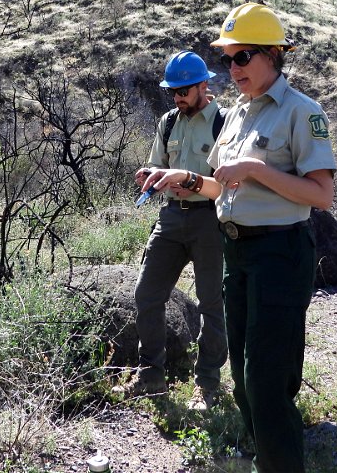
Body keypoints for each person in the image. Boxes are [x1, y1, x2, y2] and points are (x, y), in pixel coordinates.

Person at [141, 3, 336, 473]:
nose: (232, 68)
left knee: (267, 378)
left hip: (279, 251)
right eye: (228, 59)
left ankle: (280, 462)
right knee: (246, 379)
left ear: (272, 54)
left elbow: (321, 195)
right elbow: (217, 187)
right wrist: (183, 178)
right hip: (236, 248)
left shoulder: (300, 112)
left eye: (242, 56)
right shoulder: (239, 115)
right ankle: (264, 449)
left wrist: (254, 169)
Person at [118, 50, 228, 411]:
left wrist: (195, 183)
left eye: (184, 90)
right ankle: (150, 374)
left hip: (209, 220)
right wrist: (150, 176)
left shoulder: (224, 123)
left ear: (203, 86)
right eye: (173, 91)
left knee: (211, 302)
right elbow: (158, 163)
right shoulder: (168, 122)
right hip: (170, 218)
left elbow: (233, 183)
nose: (178, 97)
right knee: (147, 293)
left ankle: (208, 383)